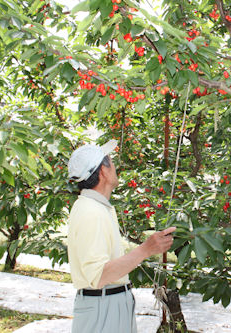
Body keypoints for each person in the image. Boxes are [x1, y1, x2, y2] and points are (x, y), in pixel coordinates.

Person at [67, 139, 176, 333]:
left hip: (109, 303)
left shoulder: (97, 207)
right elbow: (99, 275)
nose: (115, 166)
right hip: (103, 307)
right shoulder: (90, 212)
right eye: (111, 160)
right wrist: (146, 249)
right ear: (103, 171)